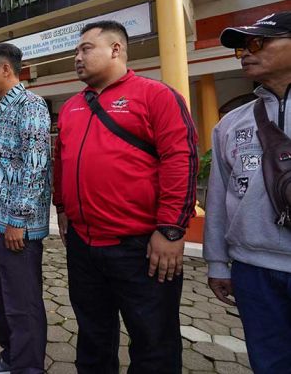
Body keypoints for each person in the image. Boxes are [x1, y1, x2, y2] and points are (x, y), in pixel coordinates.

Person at [53, 21, 198, 374]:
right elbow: (61, 161)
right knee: (93, 337)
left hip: (141, 249)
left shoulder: (156, 95)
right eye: (76, 51)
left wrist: (171, 230)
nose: (77, 57)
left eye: (86, 49)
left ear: (116, 49)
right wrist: (62, 208)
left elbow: (181, 159)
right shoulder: (72, 107)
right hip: (84, 247)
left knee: (153, 344)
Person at [204, 12, 291, 373]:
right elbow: (219, 197)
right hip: (253, 270)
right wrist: (217, 261)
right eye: (241, 46)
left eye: (258, 42)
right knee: (269, 363)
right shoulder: (230, 124)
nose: (245, 52)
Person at [0, 43, 51, 374]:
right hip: (0, 224)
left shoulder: (31, 106)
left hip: (16, 227)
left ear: (6, 70)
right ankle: (11, 357)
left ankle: (27, 367)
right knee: (5, 297)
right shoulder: (6, 108)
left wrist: (17, 220)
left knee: (23, 303)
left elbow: (35, 166)